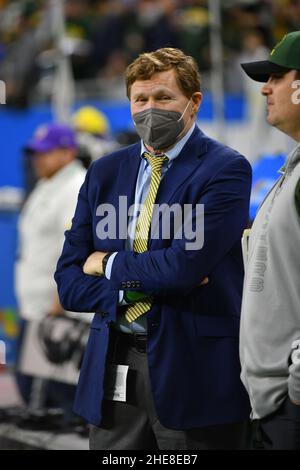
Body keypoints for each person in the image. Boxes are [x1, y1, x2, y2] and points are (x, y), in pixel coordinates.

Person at [55, 47, 252, 450]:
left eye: (163, 98)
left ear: (193, 103)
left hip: (192, 368)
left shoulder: (225, 169)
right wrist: (151, 278)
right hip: (114, 359)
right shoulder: (105, 172)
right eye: (140, 99)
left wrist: (107, 263)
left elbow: (182, 267)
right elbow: (69, 282)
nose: (150, 109)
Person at [240, 31, 300, 450]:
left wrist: (295, 392)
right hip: (273, 405)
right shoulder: (290, 168)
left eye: (278, 76)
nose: (266, 87)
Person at [15, 123, 86, 422]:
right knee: (37, 401)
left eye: (45, 153)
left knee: (61, 401)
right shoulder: (46, 183)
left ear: (68, 152)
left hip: (57, 313)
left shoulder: (75, 187)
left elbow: (73, 249)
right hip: (36, 310)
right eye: (35, 153)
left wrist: (61, 302)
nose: (37, 159)